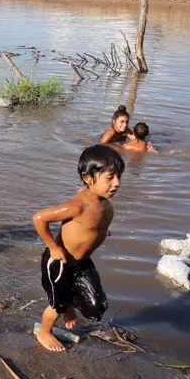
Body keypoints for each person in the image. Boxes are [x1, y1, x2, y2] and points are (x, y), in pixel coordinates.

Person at [31, 145, 123, 352]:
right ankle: (44, 332)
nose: (116, 183)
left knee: (97, 305)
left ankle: (69, 307)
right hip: (60, 262)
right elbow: (39, 218)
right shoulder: (77, 206)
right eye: (110, 178)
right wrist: (53, 247)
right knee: (57, 305)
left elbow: (92, 224)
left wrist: (101, 231)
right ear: (88, 178)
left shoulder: (104, 202)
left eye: (119, 177)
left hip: (82, 262)